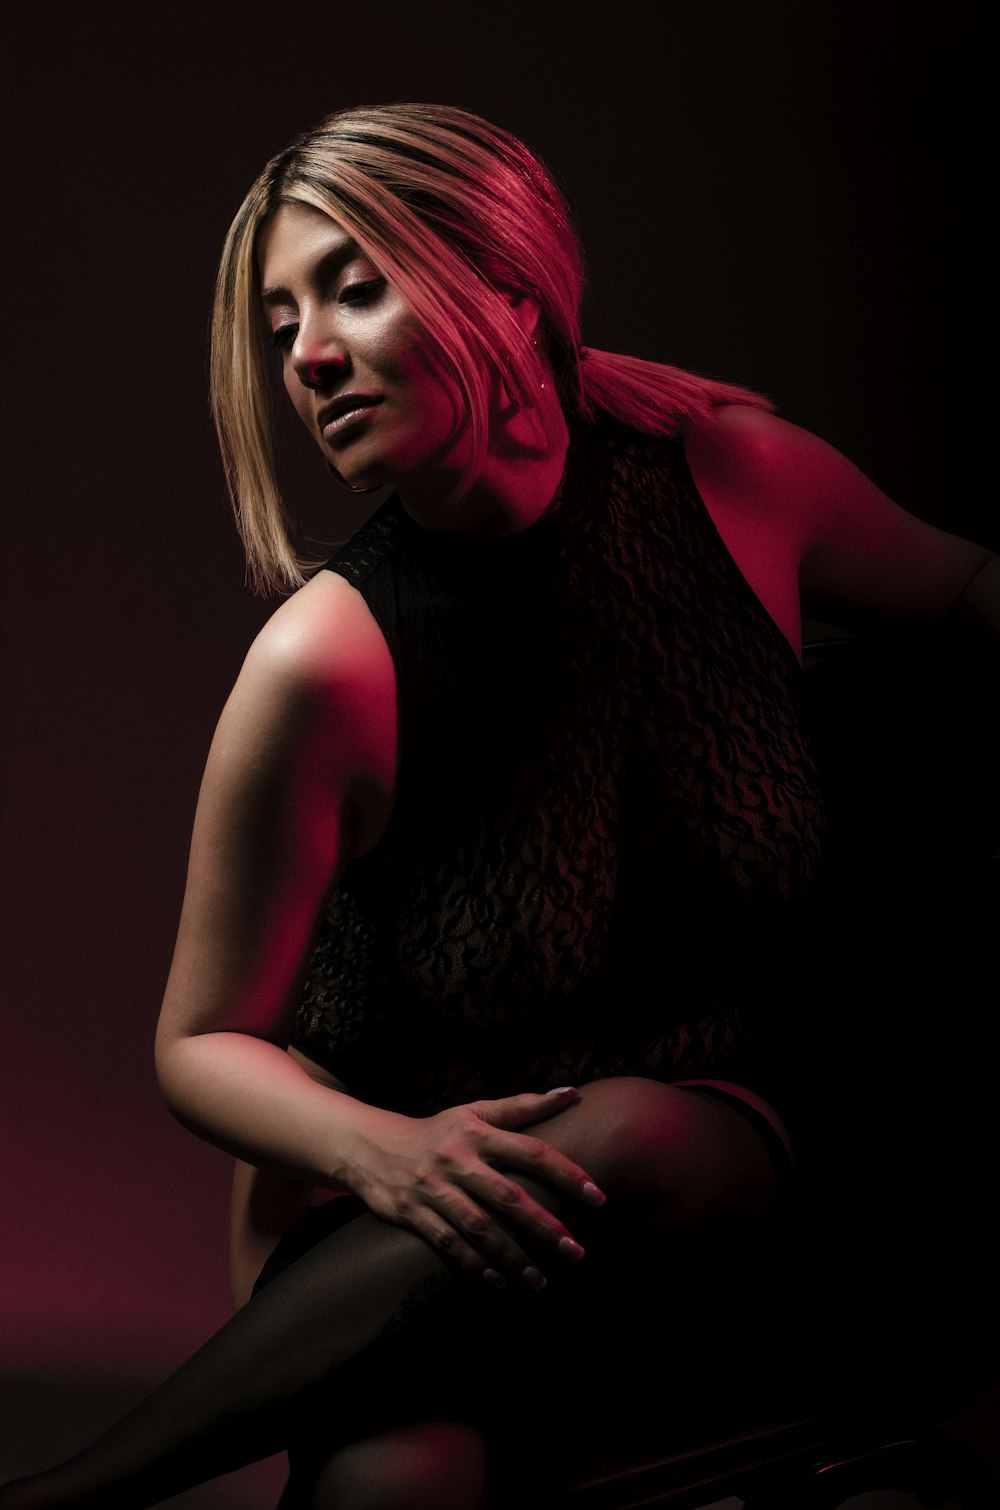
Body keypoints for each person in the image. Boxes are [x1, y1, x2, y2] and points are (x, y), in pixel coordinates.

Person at [2, 102, 996, 1510]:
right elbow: (203, 1040)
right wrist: (392, 1152)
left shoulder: (737, 479)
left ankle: (68, 1496)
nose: (310, 353)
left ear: (508, 285)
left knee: (635, 1129)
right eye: (281, 321)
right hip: (398, 1228)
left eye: (352, 285)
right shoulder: (323, 662)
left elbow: (957, 584)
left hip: (704, 1188)